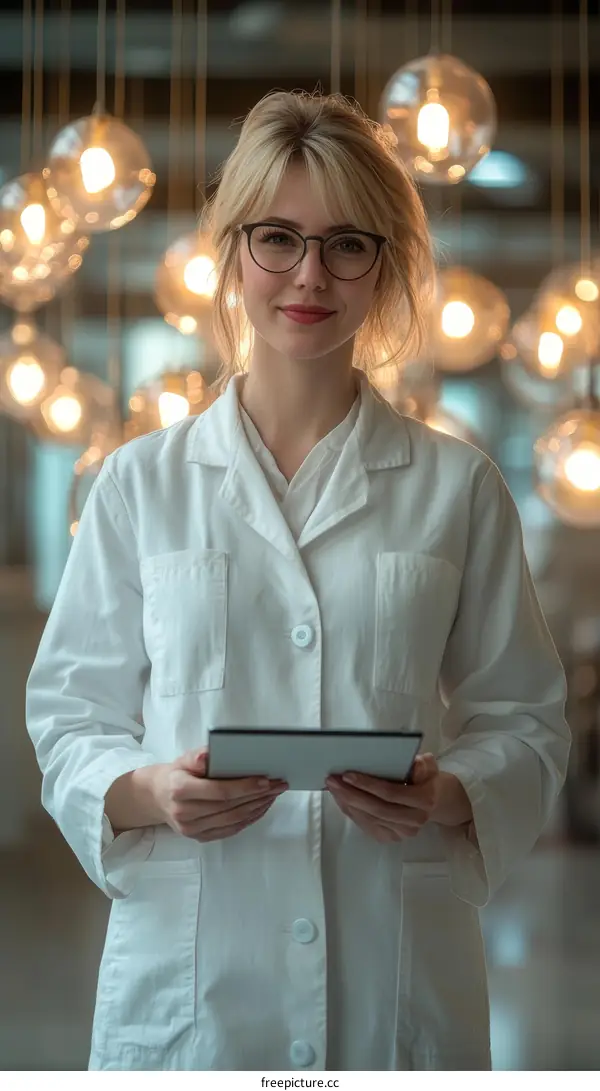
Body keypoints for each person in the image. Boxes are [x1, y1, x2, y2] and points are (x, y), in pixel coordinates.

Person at [25, 90, 570, 1073]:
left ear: (386, 265)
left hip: (395, 976)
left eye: (347, 243)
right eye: (277, 237)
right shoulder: (140, 482)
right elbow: (68, 710)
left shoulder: (458, 485)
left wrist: (451, 794)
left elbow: (526, 716)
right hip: (191, 987)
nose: (309, 274)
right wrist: (145, 790)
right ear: (232, 250)